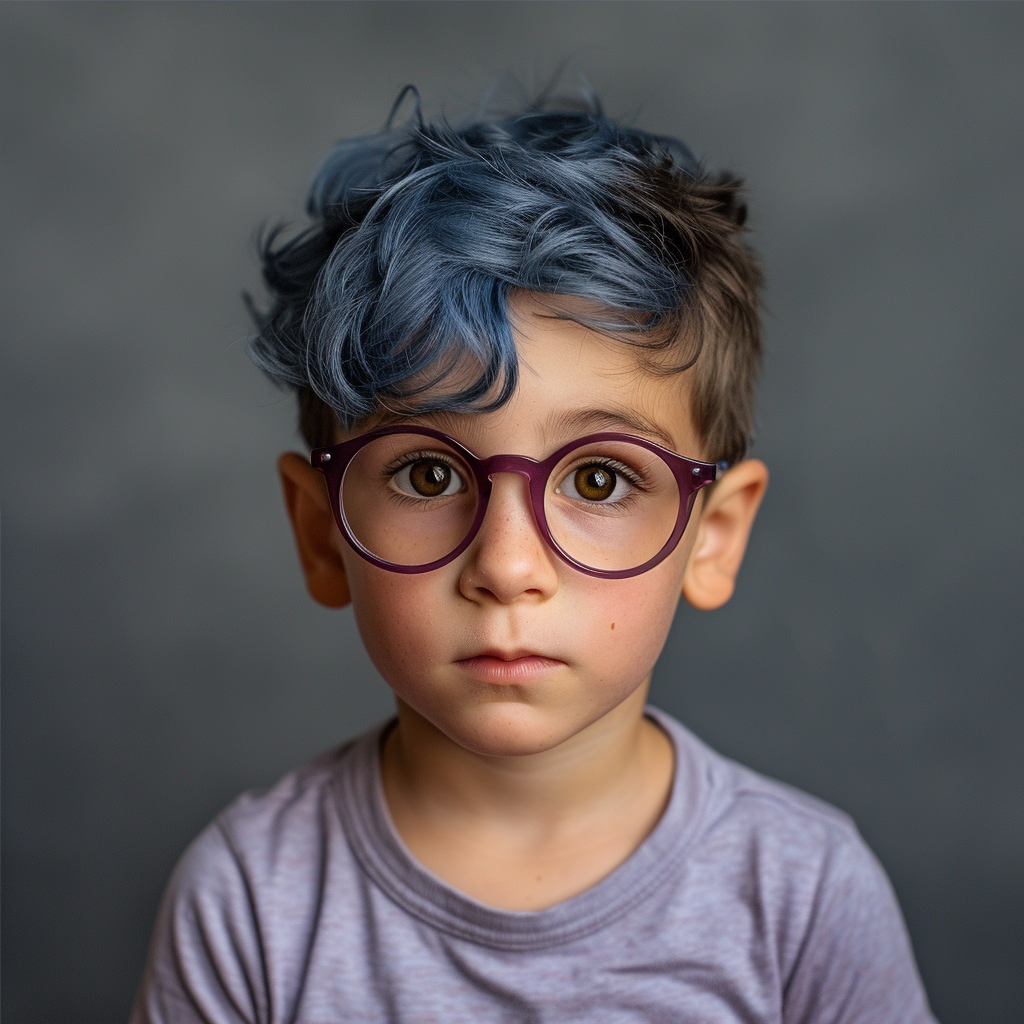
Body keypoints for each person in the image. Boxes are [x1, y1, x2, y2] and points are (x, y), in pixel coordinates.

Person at [131, 90, 936, 1023]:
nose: (508, 566)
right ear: (320, 533)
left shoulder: (805, 898)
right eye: (429, 476)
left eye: (598, 482)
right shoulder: (248, 903)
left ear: (712, 536)